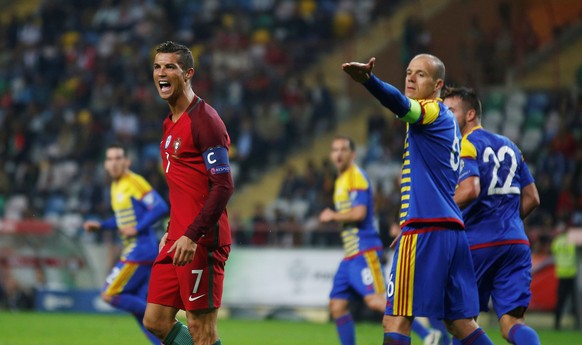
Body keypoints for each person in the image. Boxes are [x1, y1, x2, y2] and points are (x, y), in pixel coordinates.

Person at [342, 55, 494, 345]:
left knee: (396, 318)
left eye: (420, 75)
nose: (411, 78)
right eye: (409, 72)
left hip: (426, 229)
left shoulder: (431, 111)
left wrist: (369, 81)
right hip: (451, 231)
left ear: (437, 85)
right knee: (460, 322)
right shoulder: (450, 122)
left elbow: (400, 104)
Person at [143, 41, 234, 345]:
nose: (162, 72)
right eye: (157, 66)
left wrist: (192, 235)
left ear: (188, 73)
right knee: (155, 321)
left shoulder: (205, 121)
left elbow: (223, 186)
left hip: (202, 241)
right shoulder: (169, 123)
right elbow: (186, 186)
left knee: (201, 330)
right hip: (177, 237)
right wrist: (173, 229)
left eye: (170, 66)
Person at [318, 135, 442, 345]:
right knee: (337, 305)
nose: (338, 154)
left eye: (343, 149)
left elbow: (359, 213)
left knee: (375, 300)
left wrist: (333, 216)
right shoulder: (341, 180)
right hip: (350, 255)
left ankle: (427, 334)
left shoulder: (355, 176)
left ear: (353, 154)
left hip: (364, 252)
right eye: (335, 150)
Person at [443, 86, 541, 344]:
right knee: (512, 324)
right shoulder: (510, 146)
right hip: (516, 243)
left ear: (471, 114)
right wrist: (507, 222)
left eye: (450, 111)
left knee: (459, 320)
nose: (445, 116)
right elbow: (532, 198)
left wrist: (437, 213)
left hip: (478, 243)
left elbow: (469, 190)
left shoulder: (465, 144)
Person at [83, 144, 169, 345]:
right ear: (105, 164)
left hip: (141, 248)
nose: (114, 163)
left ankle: (161, 317)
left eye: (118, 158)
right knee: (137, 311)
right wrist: (102, 226)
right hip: (138, 249)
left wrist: (138, 227)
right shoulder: (115, 186)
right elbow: (123, 221)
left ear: (127, 162)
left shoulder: (134, 182)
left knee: (109, 294)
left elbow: (160, 207)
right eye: (110, 159)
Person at [551, 223, 580, 330]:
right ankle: (577, 324)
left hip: (561, 274)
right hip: (571, 274)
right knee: (574, 301)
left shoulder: (556, 242)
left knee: (560, 301)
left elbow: (553, 253)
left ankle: (557, 324)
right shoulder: (572, 241)